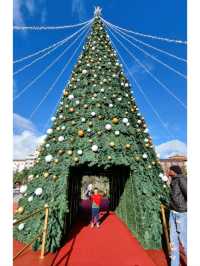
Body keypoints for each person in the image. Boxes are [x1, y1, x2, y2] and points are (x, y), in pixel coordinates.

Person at [167, 165, 187, 266]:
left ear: (174, 171)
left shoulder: (181, 179)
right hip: (173, 212)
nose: (168, 171)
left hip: (181, 213)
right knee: (173, 240)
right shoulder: (173, 181)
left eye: (169, 169)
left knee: (184, 239)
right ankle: (174, 264)